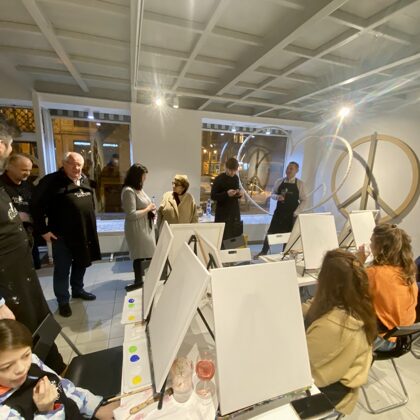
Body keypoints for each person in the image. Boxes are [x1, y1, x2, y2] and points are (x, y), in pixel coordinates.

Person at [0, 130, 65, 374]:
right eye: (9, 146)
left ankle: (56, 370)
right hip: (9, 286)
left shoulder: (25, 187)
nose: (8, 150)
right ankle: (39, 376)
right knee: (22, 334)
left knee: (39, 324)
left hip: (22, 271)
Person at [302, 249, 377, 415]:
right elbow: (314, 305)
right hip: (338, 383)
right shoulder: (358, 306)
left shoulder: (332, 326)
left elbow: (301, 364)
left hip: (326, 393)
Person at [0, 319, 118, 419]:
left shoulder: (33, 361)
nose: (21, 369)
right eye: (7, 367)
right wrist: (47, 410)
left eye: (26, 355)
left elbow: (64, 387)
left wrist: (96, 408)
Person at [32, 152, 101, 318]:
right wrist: (43, 230)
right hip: (61, 236)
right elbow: (36, 206)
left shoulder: (84, 179)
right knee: (62, 270)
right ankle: (63, 301)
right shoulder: (51, 181)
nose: (77, 168)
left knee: (82, 263)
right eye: (72, 164)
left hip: (84, 233)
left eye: (79, 164)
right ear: (63, 164)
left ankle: (77, 290)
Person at [358, 224, 418, 351]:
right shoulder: (409, 273)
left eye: (372, 242)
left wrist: (359, 262)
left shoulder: (374, 274)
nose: (370, 245)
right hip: (403, 339)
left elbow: (347, 288)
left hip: (383, 340)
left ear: (380, 247)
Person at [256, 161, 308, 256]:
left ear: (296, 171)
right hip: (279, 212)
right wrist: (277, 197)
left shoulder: (300, 184)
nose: (288, 170)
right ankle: (263, 252)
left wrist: (296, 213)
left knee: (288, 236)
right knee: (270, 232)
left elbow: (304, 200)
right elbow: (272, 194)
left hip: (291, 215)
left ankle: (285, 255)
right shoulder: (279, 181)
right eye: (287, 168)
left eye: (291, 168)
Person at [0, 154, 41, 268]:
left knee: (32, 267)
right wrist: (15, 216)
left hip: (28, 235)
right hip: (7, 238)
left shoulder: (28, 185)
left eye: (29, 170)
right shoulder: (1, 186)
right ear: (9, 167)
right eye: (23, 170)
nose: (27, 173)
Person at [121, 164, 156, 290]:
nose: (145, 178)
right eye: (143, 175)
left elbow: (145, 204)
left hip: (145, 226)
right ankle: (138, 280)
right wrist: (148, 209)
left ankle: (145, 279)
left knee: (148, 252)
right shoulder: (128, 191)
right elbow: (131, 214)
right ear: (137, 176)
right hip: (136, 228)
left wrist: (151, 208)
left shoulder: (138, 189)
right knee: (139, 254)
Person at [211, 157, 243, 241]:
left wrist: (239, 194)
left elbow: (236, 193)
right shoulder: (219, 179)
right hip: (222, 213)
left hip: (234, 212)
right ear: (226, 167)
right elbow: (213, 196)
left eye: (234, 170)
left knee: (234, 239)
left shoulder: (236, 178)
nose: (232, 172)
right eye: (230, 170)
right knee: (221, 238)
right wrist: (226, 194)